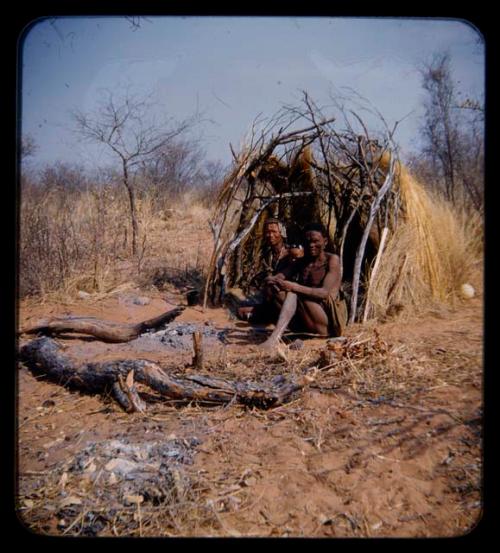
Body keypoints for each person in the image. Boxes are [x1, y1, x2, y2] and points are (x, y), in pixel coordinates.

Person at [259, 222, 347, 351]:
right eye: (307, 242)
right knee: (277, 293)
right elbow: (279, 276)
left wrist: (294, 286)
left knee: (294, 292)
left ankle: (274, 338)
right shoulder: (302, 262)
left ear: (325, 242)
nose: (311, 245)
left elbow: (324, 293)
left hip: (328, 322)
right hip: (308, 319)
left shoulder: (332, 260)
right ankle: (298, 332)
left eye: (316, 241)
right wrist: (271, 281)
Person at [237, 218, 293, 322]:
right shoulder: (265, 255)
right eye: (267, 232)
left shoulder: (290, 254)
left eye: (274, 232)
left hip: (285, 299)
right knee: (241, 311)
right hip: (269, 300)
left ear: (282, 233)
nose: (270, 235)